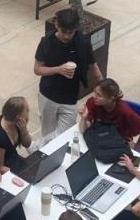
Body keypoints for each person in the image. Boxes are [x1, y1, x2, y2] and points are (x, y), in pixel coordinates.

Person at [34, 9, 104, 139]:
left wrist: (105, 90)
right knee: (47, 133)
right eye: (63, 31)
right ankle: (42, 152)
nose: (66, 36)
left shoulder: (82, 43)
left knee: (65, 136)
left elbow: (93, 67)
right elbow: (37, 69)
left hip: (70, 98)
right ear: (57, 25)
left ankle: (37, 148)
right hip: (48, 95)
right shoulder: (47, 42)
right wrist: (58, 69)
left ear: (76, 29)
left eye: (70, 32)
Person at [78, 79, 140, 150]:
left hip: (119, 143)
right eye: (94, 92)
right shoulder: (93, 102)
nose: (94, 96)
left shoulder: (125, 111)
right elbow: (83, 130)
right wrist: (84, 118)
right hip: (101, 137)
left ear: (111, 98)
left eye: (99, 95)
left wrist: (136, 149)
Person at [0, 96, 32, 173]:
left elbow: (27, 144)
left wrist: (24, 130)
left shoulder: (18, 123)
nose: (28, 113)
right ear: (18, 117)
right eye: (27, 111)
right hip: (4, 167)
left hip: (12, 158)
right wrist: (20, 174)